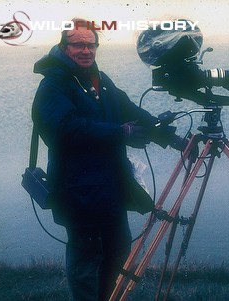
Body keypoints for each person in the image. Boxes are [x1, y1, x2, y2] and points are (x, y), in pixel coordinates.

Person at [32, 19, 185, 301]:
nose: (86, 50)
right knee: (87, 261)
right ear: (64, 47)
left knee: (118, 251)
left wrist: (167, 136)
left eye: (91, 45)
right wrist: (120, 132)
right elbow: (64, 129)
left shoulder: (97, 79)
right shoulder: (53, 85)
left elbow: (127, 108)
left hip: (110, 187)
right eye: (78, 44)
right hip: (77, 190)